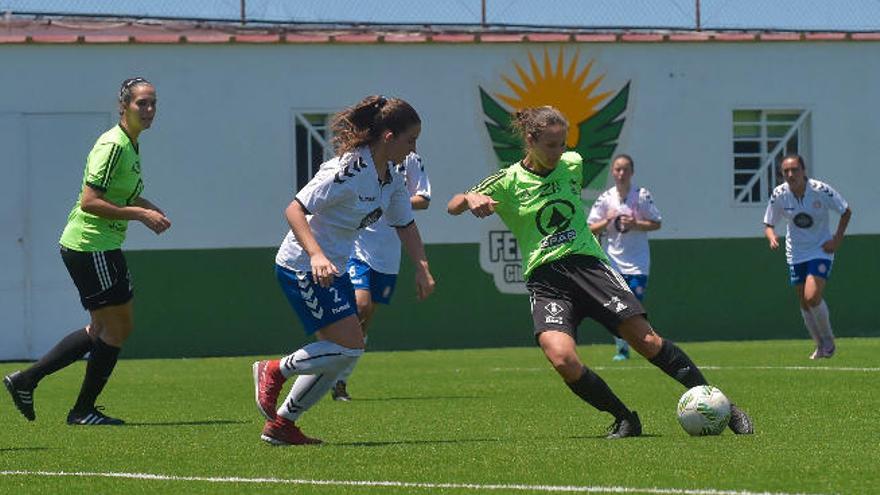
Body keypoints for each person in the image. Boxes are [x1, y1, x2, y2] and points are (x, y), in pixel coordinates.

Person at [447, 106, 752, 438]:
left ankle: (727, 407)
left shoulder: (572, 164)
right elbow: (453, 204)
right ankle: (624, 418)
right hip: (546, 281)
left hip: (589, 267)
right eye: (551, 145)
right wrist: (471, 198)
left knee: (646, 341)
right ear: (530, 140)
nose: (558, 152)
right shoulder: (507, 181)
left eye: (562, 143)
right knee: (562, 359)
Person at [252, 95, 435, 446]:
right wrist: (317, 254)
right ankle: (274, 369)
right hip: (301, 265)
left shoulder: (392, 177)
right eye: (410, 140)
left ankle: (282, 425)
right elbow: (294, 209)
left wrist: (422, 267)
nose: (413, 149)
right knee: (349, 348)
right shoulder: (347, 170)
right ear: (388, 137)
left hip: (331, 267)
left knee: (345, 351)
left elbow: (406, 224)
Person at [4, 77, 169, 426]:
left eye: (153, 102)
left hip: (100, 245)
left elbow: (118, 193)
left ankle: (27, 381)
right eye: (142, 103)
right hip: (91, 244)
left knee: (105, 327)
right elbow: (90, 201)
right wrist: (139, 214)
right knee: (117, 327)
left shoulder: (130, 144)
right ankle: (81, 410)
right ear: (123, 106)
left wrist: (145, 205)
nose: (150, 109)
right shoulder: (114, 146)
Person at [332, 152, 432, 401]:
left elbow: (423, 199)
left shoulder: (410, 160)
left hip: (387, 253)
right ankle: (325, 359)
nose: (412, 143)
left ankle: (340, 379)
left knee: (366, 318)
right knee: (360, 304)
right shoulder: (361, 159)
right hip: (357, 246)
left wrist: (393, 200)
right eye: (408, 136)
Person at [763, 154, 851, 359]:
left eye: (795, 170)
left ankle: (828, 340)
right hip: (796, 252)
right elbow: (768, 223)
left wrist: (837, 239)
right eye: (786, 171)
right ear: (782, 174)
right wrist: (771, 237)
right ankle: (820, 345)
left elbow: (846, 211)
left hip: (821, 249)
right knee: (803, 302)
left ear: (804, 171)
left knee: (812, 297)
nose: (791, 174)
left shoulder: (820, 191)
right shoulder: (780, 194)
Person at [588, 154, 662, 361]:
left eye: (626, 170)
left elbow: (657, 223)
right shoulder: (605, 199)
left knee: (634, 308)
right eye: (618, 169)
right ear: (612, 171)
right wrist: (607, 221)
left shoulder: (642, 196)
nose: (621, 174)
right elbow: (589, 228)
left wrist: (636, 223)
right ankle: (622, 349)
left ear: (632, 172)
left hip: (638, 262)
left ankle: (641, 344)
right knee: (617, 308)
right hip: (613, 262)